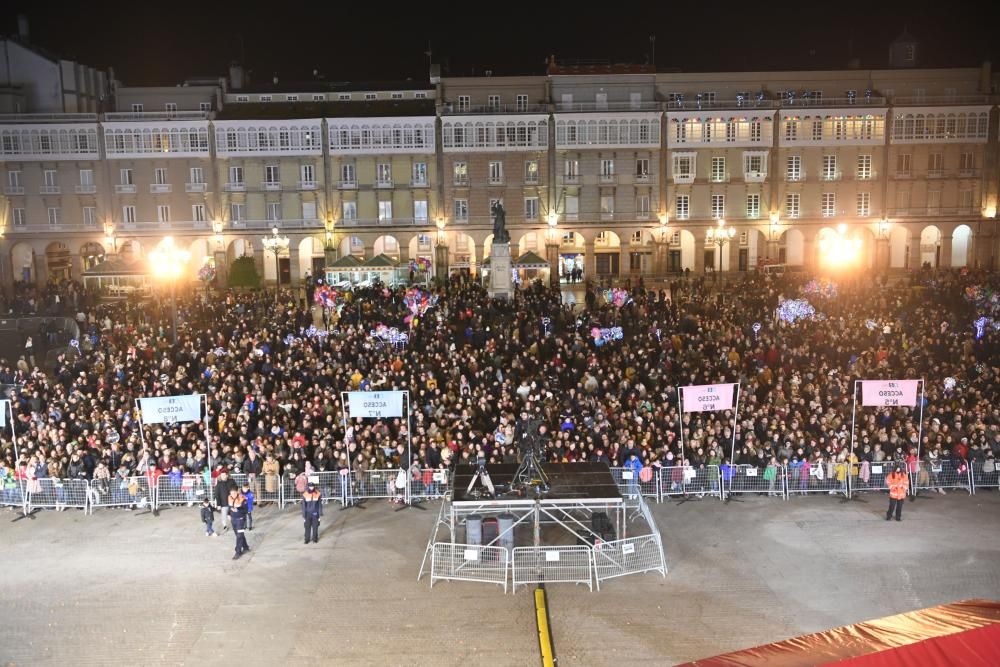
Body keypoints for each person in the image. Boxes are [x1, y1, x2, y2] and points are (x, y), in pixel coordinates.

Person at [228, 487, 250, 559]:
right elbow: (229, 506)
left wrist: (237, 509)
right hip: (233, 520)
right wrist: (228, 514)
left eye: (234, 493)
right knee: (238, 535)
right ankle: (245, 547)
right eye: (231, 493)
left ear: (237, 492)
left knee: (239, 536)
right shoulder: (229, 498)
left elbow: (246, 510)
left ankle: (238, 552)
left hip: (240, 520)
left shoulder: (243, 499)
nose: (233, 495)